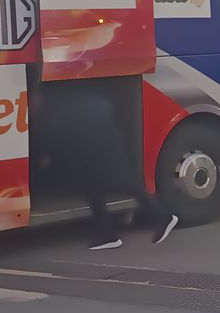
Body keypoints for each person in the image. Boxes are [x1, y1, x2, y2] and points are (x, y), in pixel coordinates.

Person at [30, 86, 179, 249]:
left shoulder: (56, 107)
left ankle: (160, 217)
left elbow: (60, 134)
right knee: (95, 187)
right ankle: (108, 234)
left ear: (38, 96)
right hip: (98, 143)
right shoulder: (58, 103)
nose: (32, 106)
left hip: (102, 144)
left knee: (120, 182)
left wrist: (48, 155)